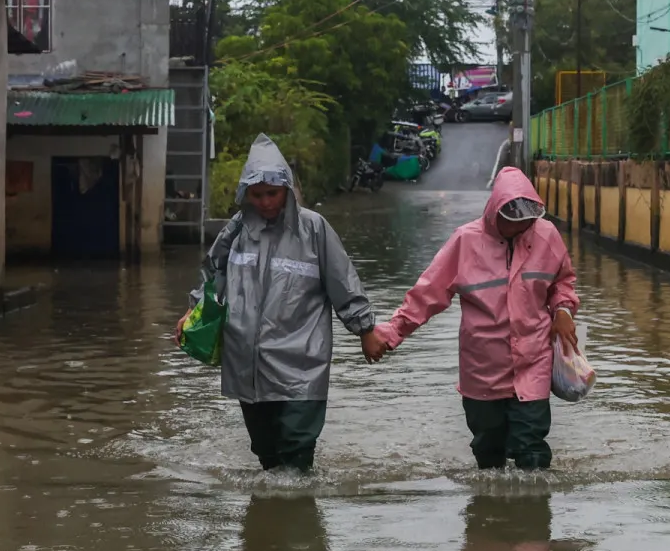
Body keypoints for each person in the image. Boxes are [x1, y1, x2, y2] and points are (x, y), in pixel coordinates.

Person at [194, 135, 387, 472]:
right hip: (248, 364)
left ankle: (297, 517)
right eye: (258, 195)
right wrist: (194, 315)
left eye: (273, 193)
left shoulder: (314, 230)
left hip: (301, 363)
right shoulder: (236, 231)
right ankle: (272, 519)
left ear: (286, 190)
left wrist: (365, 329)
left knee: (296, 451)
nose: (266, 202)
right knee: (266, 454)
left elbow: (342, 281)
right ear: (246, 194)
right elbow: (213, 276)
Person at [376, 167, 579, 470]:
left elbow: (563, 281)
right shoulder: (465, 242)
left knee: (532, 448)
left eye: (527, 220)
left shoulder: (545, 235)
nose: (521, 226)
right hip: (482, 368)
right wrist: (391, 334)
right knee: (488, 450)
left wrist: (562, 310)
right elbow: (427, 294)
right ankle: (489, 511)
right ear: (496, 211)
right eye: (513, 220)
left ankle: (533, 513)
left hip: (533, 361)